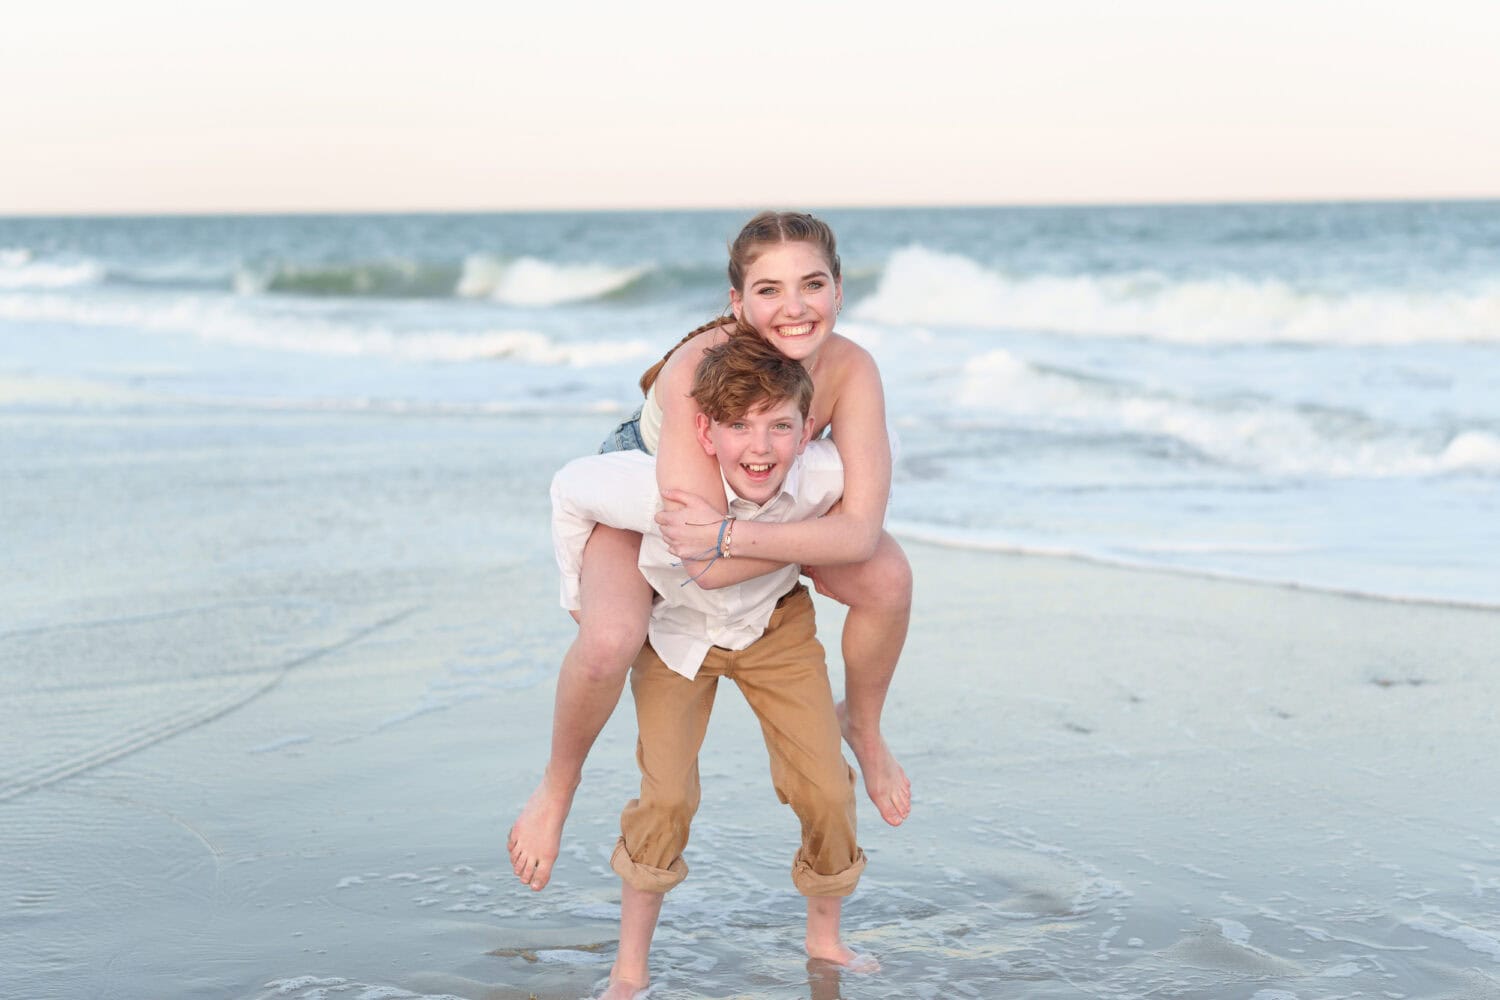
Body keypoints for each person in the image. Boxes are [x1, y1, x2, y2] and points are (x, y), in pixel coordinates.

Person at [510, 211, 912, 892]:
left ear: (839, 291)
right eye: (769, 290)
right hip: (648, 487)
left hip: (757, 493)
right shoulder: (697, 367)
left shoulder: (852, 368)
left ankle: (863, 729)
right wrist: (757, 541)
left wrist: (737, 535)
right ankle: (555, 786)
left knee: (889, 580)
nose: (793, 307)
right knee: (610, 640)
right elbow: (705, 565)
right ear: (738, 302)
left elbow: (860, 535)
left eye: (811, 284)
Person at [549, 335, 874, 999]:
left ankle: (825, 937)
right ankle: (629, 969)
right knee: (666, 797)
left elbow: (859, 528)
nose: (760, 449)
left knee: (827, 791)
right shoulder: (658, 492)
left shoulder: (823, 476)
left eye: (780, 426)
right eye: (738, 427)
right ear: (704, 431)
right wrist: (576, 599)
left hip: (773, 627)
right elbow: (569, 487)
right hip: (675, 635)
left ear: (807, 430)